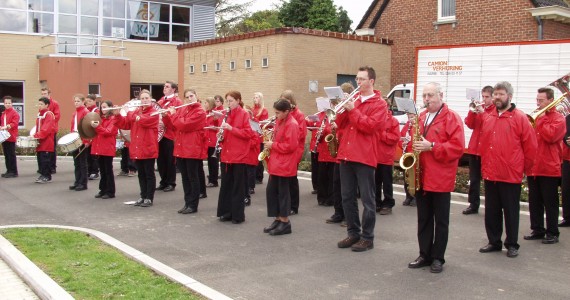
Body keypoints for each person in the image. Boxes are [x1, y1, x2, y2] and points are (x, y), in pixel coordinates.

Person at [407, 82, 465, 274]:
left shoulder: (452, 118)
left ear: (441, 95)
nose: (426, 99)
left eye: (430, 95)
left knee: (441, 221)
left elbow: (457, 148)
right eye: (424, 96)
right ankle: (424, 254)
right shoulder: (421, 117)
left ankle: (438, 257)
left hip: (440, 177)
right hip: (422, 176)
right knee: (423, 219)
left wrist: (432, 146)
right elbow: (416, 144)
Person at [478, 81, 537, 258]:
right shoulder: (488, 117)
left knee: (511, 212)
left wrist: (525, 170)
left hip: (510, 174)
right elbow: (485, 145)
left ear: (509, 96)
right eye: (495, 94)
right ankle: (494, 241)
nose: (496, 97)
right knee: (492, 210)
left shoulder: (520, 118)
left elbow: (531, 146)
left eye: (500, 94)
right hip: (491, 173)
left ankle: (512, 243)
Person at [335, 66, 387, 252]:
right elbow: (339, 124)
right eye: (357, 79)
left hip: (364, 156)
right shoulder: (354, 100)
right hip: (346, 154)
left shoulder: (380, 104)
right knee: (347, 197)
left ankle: (367, 237)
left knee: (367, 199)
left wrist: (353, 111)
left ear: (371, 81)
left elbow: (371, 127)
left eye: (362, 79)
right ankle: (353, 233)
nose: (358, 83)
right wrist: (340, 109)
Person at [524, 87, 565, 244]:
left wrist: (540, 121)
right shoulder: (537, 116)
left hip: (549, 166)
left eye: (541, 100)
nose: (538, 103)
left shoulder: (558, 118)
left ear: (550, 100)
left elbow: (552, 136)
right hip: (534, 166)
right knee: (534, 201)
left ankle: (553, 232)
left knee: (550, 202)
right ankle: (537, 229)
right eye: (537, 100)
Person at [163, 88, 206, 214]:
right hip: (181, 148)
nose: (189, 98)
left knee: (193, 177)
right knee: (185, 178)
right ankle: (187, 202)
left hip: (192, 148)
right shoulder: (183, 109)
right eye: (187, 97)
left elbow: (184, 125)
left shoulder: (200, 112)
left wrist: (172, 114)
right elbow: (173, 126)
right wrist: (166, 117)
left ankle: (193, 205)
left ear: (196, 96)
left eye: (191, 96)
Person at [113, 89, 160, 207]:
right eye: (142, 98)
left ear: (151, 100)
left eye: (146, 98)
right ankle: (143, 195)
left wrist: (128, 112)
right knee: (141, 174)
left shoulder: (154, 112)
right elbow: (125, 124)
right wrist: (118, 114)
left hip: (148, 147)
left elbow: (144, 120)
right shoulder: (136, 112)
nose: (144, 100)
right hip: (138, 148)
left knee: (149, 174)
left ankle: (149, 197)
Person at [217, 91, 257, 224]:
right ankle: (226, 212)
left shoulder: (244, 114)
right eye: (227, 101)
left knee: (238, 187)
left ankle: (238, 215)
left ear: (238, 100)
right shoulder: (225, 114)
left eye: (231, 101)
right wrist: (221, 136)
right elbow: (224, 133)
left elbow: (248, 133)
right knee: (226, 185)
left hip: (239, 155)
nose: (229, 104)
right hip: (227, 155)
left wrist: (231, 128)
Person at [263, 99, 299, 235]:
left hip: (285, 164)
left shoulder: (292, 124)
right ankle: (277, 218)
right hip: (277, 162)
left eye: (278, 113)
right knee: (272, 192)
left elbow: (291, 146)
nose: (276, 115)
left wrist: (273, 145)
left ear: (286, 111)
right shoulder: (280, 121)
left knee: (283, 194)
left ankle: (285, 222)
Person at [463, 86, 495, 215]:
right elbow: (469, 124)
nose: (484, 99)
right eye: (483, 97)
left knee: (488, 180)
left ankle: (491, 206)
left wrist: (482, 113)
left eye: (487, 97)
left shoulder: (494, 111)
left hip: (486, 150)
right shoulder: (479, 109)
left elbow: (490, 125)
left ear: (493, 98)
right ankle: (473, 204)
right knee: (474, 179)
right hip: (474, 148)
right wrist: (472, 111)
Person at [279, 90, 306, 215]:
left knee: (292, 179)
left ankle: (294, 206)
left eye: (285, 100)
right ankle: (285, 204)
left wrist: (285, 135)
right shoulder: (283, 113)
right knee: (285, 179)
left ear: (290, 101)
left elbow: (301, 134)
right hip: (285, 148)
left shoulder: (298, 114)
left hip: (294, 149)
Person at [156, 81, 182, 192]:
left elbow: (177, 118)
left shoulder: (177, 101)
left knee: (169, 160)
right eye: (164, 86)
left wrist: (165, 122)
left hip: (170, 134)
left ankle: (171, 182)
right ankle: (163, 181)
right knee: (160, 160)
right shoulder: (161, 101)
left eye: (167, 87)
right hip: (159, 134)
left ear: (173, 89)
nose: (164, 88)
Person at [375, 108, 400, 215]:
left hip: (386, 157)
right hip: (375, 156)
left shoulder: (393, 121)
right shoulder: (376, 119)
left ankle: (388, 203)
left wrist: (382, 134)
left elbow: (395, 138)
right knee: (375, 182)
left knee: (387, 183)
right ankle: (377, 203)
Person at [90, 100, 118, 199]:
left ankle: (110, 191)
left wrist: (97, 127)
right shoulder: (100, 118)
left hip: (107, 148)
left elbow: (108, 132)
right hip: (100, 147)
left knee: (108, 170)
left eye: (105, 107)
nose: (103, 109)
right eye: (102, 107)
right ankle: (103, 189)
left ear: (110, 107)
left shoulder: (113, 119)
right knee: (102, 170)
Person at [33, 97, 56, 183]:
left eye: (41, 104)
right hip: (40, 141)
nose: (39, 105)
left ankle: (47, 176)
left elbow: (46, 129)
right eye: (39, 104)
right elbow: (38, 128)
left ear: (47, 105)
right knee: (40, 159)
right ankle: (42, 174)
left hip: (46, 141)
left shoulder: (48, 114)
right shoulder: (40, 114)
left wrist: (36, 135)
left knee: (45, 159)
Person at [69, 94, 90, 192]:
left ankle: (83, 183)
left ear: (83, 102)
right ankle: (77, 181)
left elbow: (87, 127)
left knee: (82, 162)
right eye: (75, 101)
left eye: (78, 101)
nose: (76, 103)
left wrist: (86, 140)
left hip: (82, 139)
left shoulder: (85, 112)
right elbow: (72, 127)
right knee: (76, 162)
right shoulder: (75, 113)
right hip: (75, 138)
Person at [41, 87, 60, 174]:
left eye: (45, 94)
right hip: (45, 129)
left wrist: (49, 124)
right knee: (44, 149)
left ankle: (52, 166)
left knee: (52, 149)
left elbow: (57, 116)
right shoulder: (42, 104)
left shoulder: (54, 103)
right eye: (42, 94)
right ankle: (45, 167)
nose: (43, 95)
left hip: (52, 129)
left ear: (49, 94)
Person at [400, 113, 416, 206]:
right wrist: (402, 144)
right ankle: (408, 196)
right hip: (406, 154)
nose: (410, 118)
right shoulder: (407, 126)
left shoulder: (418, 126)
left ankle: (415, 197)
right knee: (406, 177)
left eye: (412, 116)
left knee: (414, 177)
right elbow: (400, 138)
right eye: (409, 116)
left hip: (414, 154)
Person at [1, 96, 20, 178]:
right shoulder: (3, 113)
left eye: (9, 103)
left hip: (11, 136)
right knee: (6, 154)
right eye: (6, 103)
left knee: (11, 154)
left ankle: (13, 171)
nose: (7, 104)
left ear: (12, 104)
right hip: (4, 136)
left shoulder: (14, 113)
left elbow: (14, 123)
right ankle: (9, 170)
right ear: (4, 104)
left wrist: (7, 126)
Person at [252, 92, 269, 184]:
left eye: (257, 97)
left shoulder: (264, 110)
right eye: (254, 97)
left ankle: (259, 176)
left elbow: (263, 123)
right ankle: (254, 175)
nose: (255, 99)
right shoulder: (252, 109)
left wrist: (254, 120)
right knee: (253, 157)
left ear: (261, 99)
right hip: (253, 135)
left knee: (259, 157)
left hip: (260, 136)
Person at [204, 97, 220, 187]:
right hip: (207, 140)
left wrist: (215, 123)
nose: (204, 104)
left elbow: (219, 126)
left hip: (213, 141)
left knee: (213, 162)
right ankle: (211, 178)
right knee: (210, 162)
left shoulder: (215, 113)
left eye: (206, 102)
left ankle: (214, 181)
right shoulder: (206, 113)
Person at [85, 94, 100, 180]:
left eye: (90, 101)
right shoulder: (86, 110)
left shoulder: (96, 111)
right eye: (87, 102)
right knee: (87, 155)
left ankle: (95, 171)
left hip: (94, 135)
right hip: (87, 135)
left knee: (94, 155)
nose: (88, 103)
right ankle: (89, 171)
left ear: (94, 101)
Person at [560, 116, 570, 227]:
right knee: (566, 189)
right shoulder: (567, 118)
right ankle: (567, 218)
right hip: (567, 158)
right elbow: (563, 134)